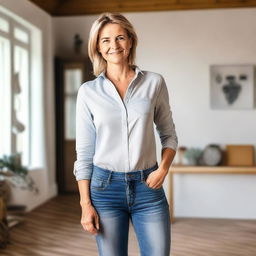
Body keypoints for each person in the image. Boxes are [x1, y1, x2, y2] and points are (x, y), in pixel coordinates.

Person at [73, 12, 178, 256]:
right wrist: (85, 204)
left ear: (130, 41)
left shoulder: (154, 82)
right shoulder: (88, 92)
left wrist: (162, 169)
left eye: (120, 37)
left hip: (148, 189)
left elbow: (169, 134)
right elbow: (84, 153)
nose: (114, 45)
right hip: (104, 190)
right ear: (98, 47)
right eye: (105, 40)